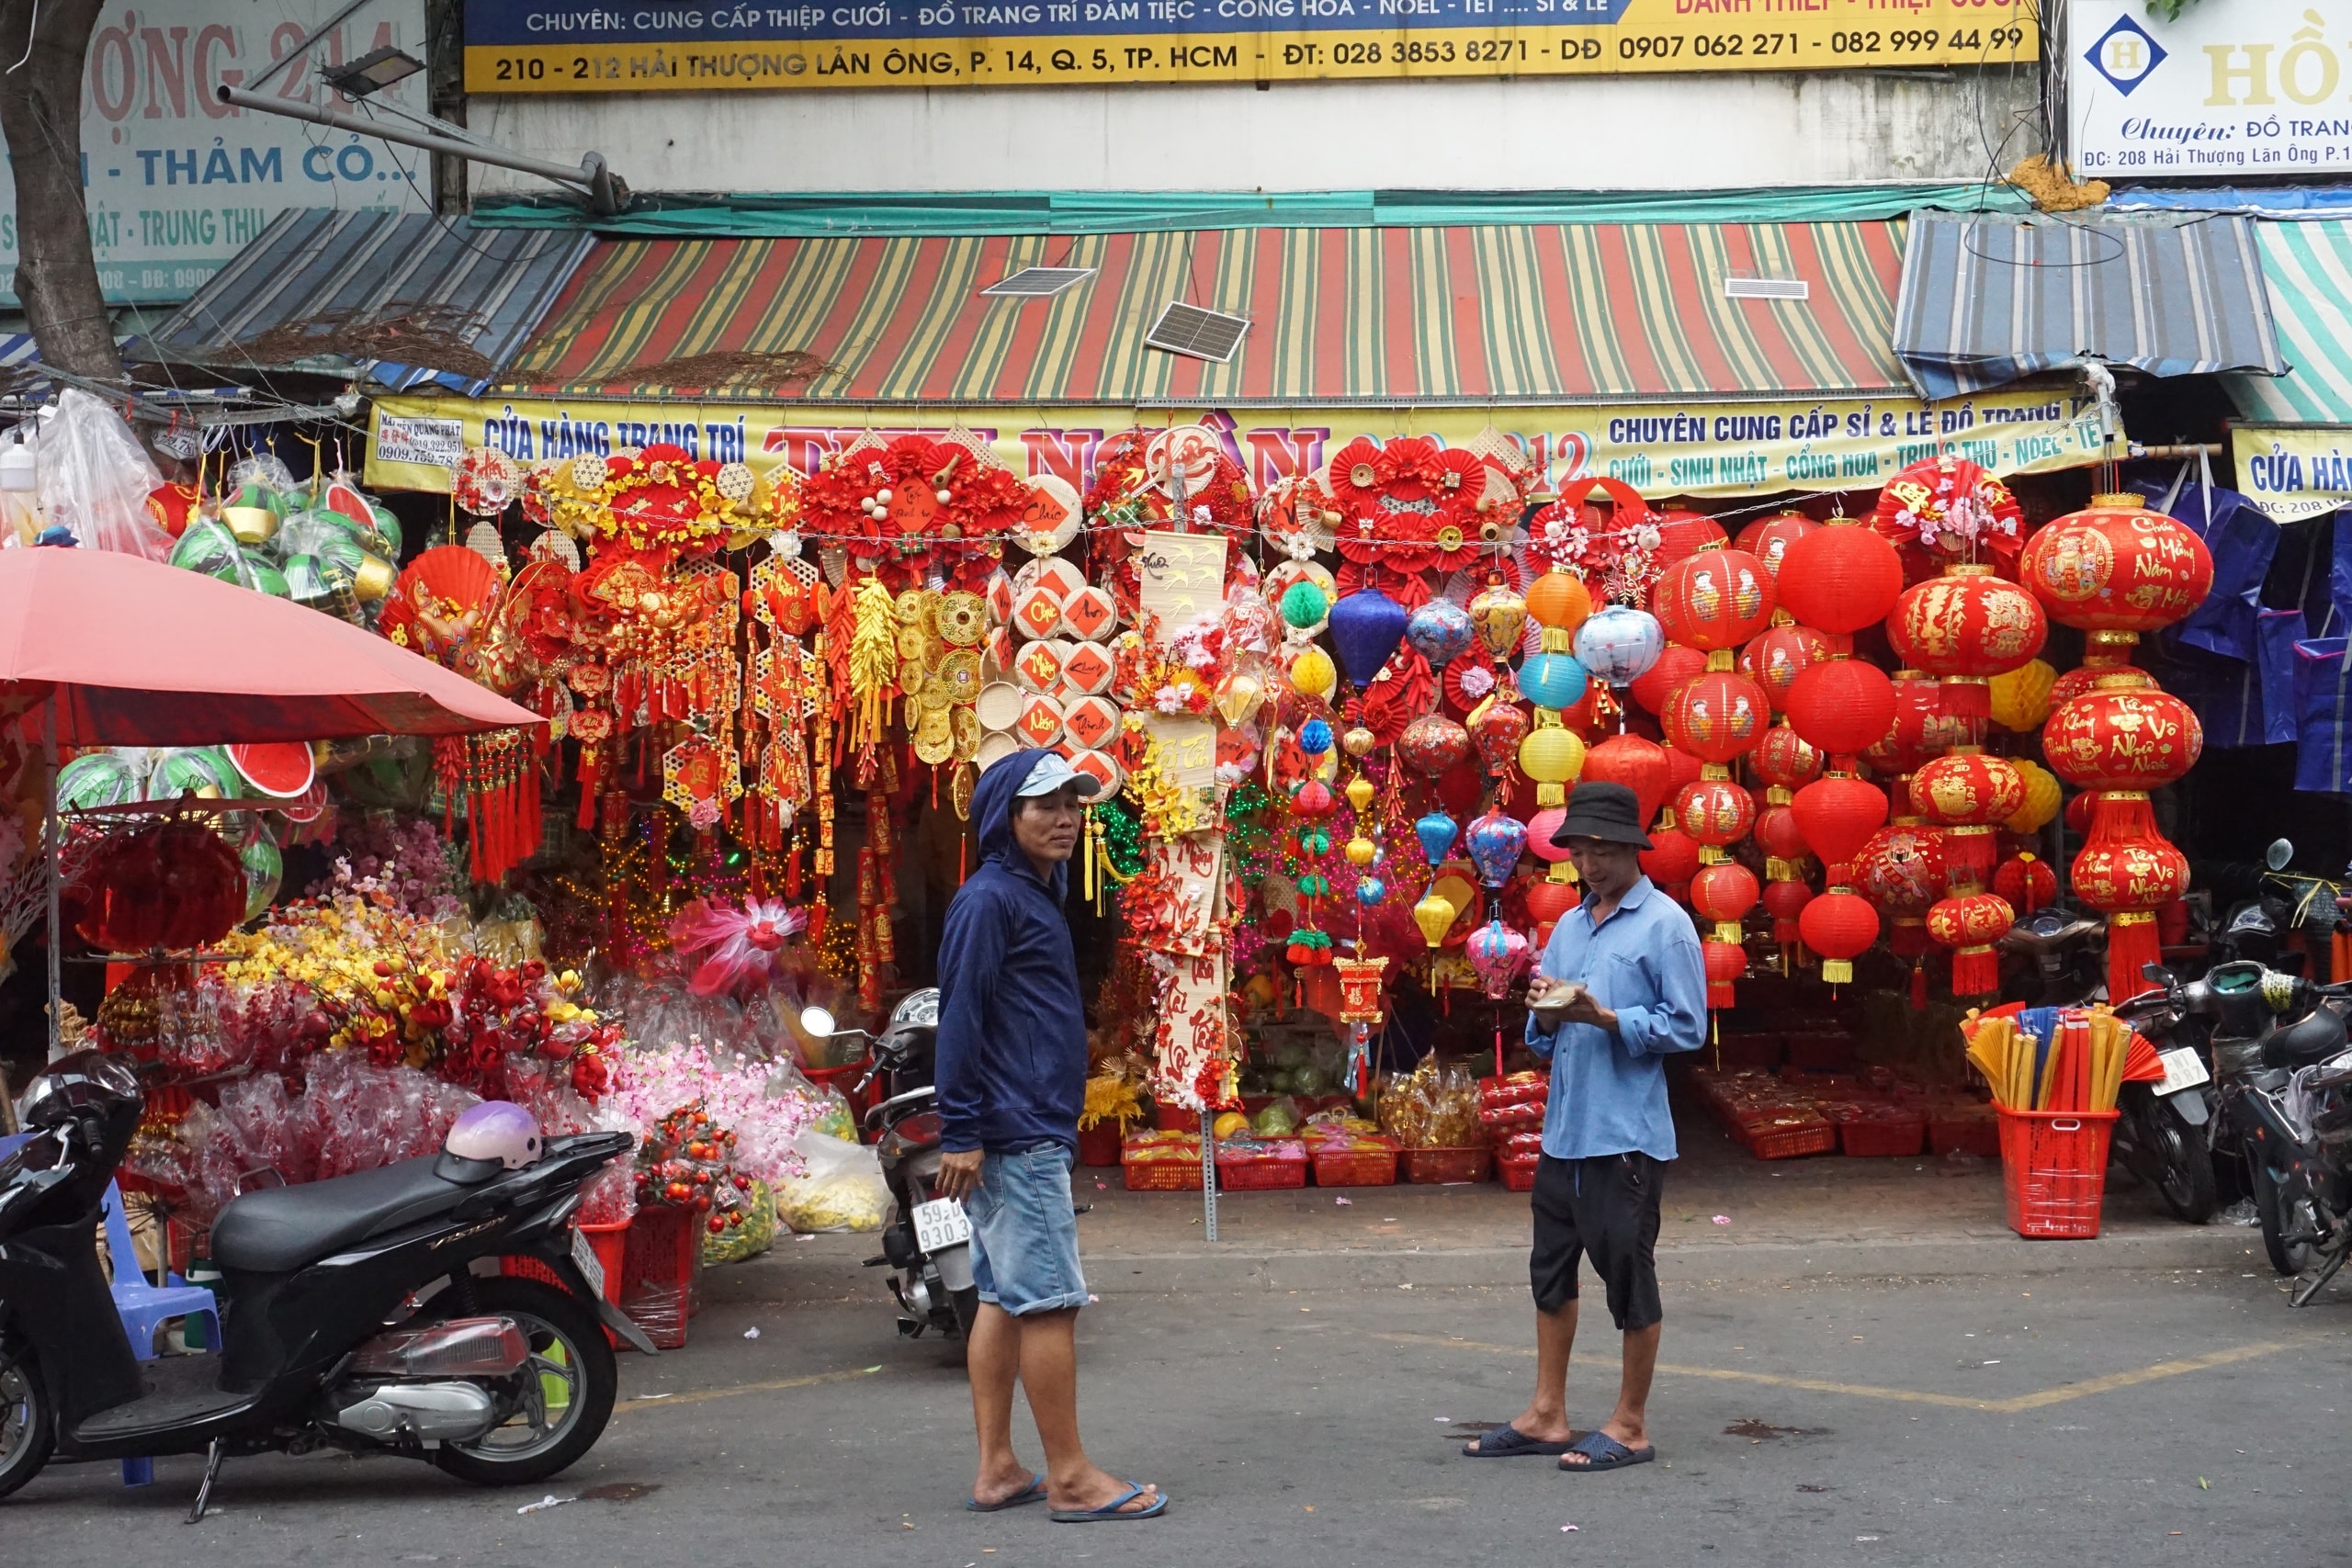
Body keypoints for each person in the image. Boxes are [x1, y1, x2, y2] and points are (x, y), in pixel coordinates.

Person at [933, 748, 1170, 1523]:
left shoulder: (1032, 892)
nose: (1066, 817)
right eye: (1046, 805)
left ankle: (998, 1466)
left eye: (1073, 802)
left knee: (1002, 1299)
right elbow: (961, 1016)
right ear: (1007, 817)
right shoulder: (990, 899)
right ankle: (1070, 1477)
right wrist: (962, 1128)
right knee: (1050, 1304)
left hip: (1019, 1125)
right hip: (1013, 1130)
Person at [1461, 780, 1706, 1474]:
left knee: (1628, 1272)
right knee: (1550, 1271)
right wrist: (1544, 1010)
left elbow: (1688, 1025)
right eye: (1580, 849)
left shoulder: (1665, 923)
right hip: (1564, 1130)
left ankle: (1629, 1423)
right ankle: (1547, 1413)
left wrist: (1609, 1017)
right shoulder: (1569, 925)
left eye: (1602, 848)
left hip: (1624, 1132)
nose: (1590, 862)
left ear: (1631, 847)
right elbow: (1546, 1040)